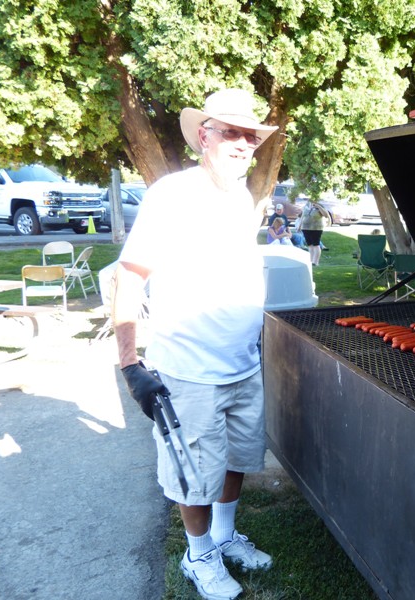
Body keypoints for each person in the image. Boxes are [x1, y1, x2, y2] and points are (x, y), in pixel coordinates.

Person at [112, 88, 278, 600]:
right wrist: (130, 364)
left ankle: (224, 537)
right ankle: (197, 554)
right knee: (193, 478)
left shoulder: (241, 196)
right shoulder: (172, 194)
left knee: (236, 460)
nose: (242, 143)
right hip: (188, 370)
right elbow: (131, 274)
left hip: (241, 364)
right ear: (203, 135)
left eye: (250, 135)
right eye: (230, 131)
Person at [297, 199, 331, 266]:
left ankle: (316, 262)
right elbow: (303, 216)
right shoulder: (306, 205)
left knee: (316, 245)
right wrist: (299, 225)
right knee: (310, 245)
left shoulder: (319, 206)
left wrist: (318, 207)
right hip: (305, 228)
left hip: (316, 228)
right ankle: (311, 261)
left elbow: (326, 215)